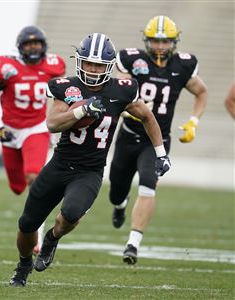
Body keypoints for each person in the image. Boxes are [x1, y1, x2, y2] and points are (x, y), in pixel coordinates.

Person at [8, 32, 171, 287]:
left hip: (90, 171)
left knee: (71, 214)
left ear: (108, 67)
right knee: (27, 223)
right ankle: (23, 263)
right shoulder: (67, 87)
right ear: (79, 62)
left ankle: (52, 238)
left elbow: (148, 117)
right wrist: (81, 110)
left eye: (98, 65)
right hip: (60, 164)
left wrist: (161, 153)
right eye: (88, 63)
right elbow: (52, 123)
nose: (93, 70)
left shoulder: (122, 90)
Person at [108, 15, 208, 265]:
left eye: (165, 42)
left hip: (157, 140)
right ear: (146, 40)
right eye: (155, 41)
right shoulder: (132, 60)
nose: (160, 47)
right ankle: (120, 205)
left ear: (174, 42)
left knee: (148, 185)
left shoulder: (184, 65)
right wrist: (122, 106)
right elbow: (118, 87)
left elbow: (202, 92)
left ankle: (133, 243)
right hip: (129, 135)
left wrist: (194, 121)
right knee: (116, 191)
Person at [0, 26, 65, 253]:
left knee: (34, 176)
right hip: (10, 131)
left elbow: (63, 97)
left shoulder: (53, 66)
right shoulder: (7, 68)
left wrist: (58, 126)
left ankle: (37, 232)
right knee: (17, 187)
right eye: (29, 44)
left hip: (36, 128)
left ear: (44, 46)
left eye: (37, 43)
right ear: (21, 47)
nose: (34, 47)